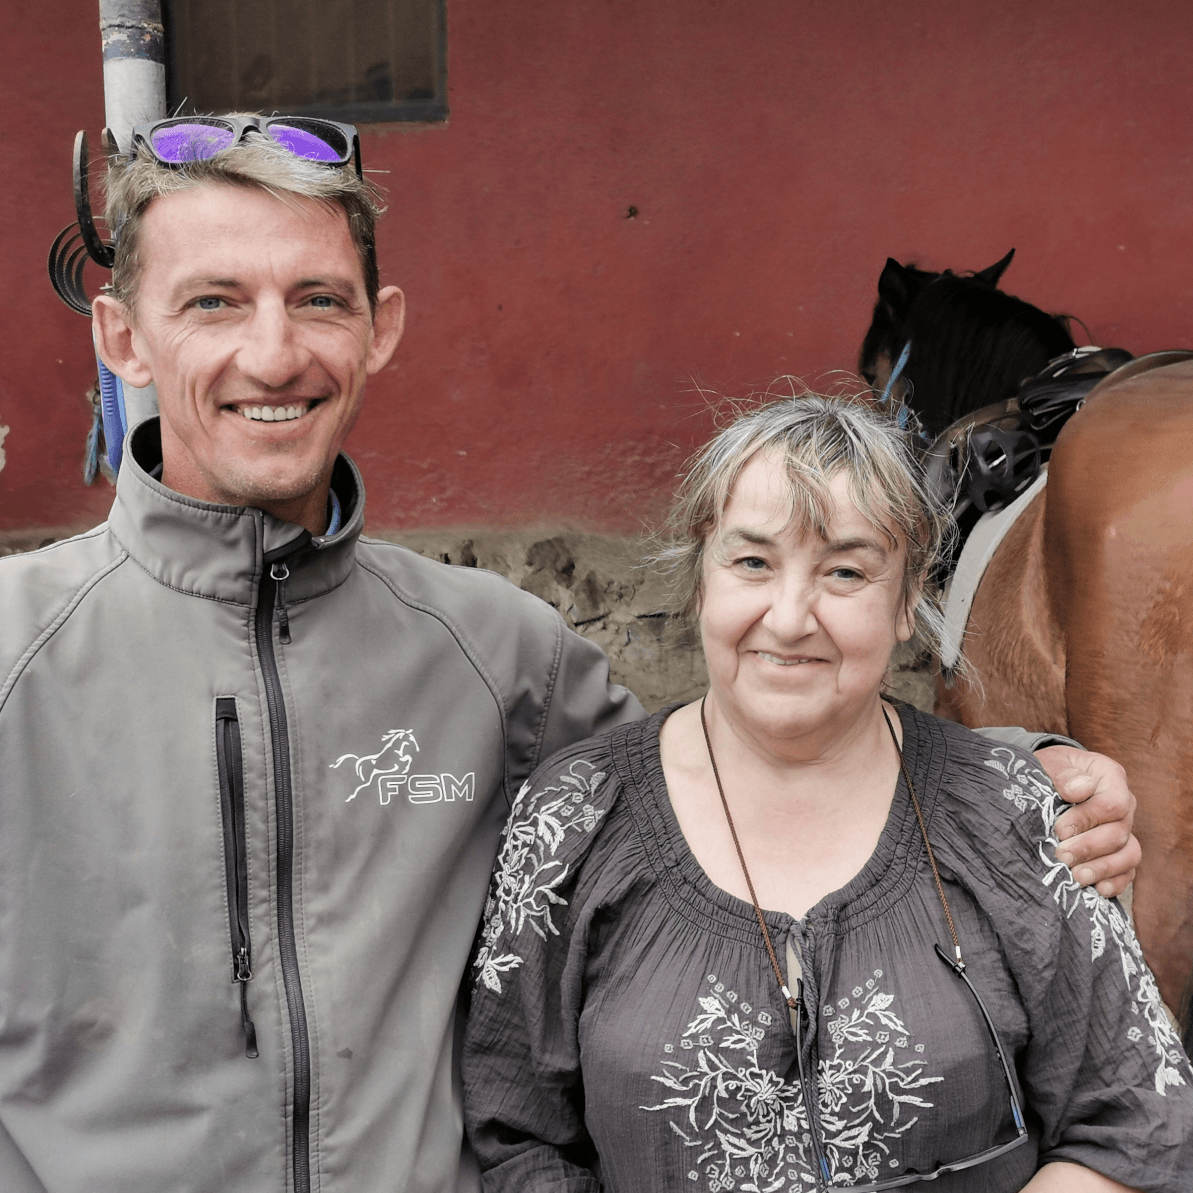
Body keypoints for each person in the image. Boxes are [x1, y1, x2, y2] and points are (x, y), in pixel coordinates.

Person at [0, 115, 1138, 1193]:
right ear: (121, 336)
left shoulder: (499, 654)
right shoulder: (15, 655)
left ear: (379, 328)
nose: (272, 351)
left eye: (317, 299)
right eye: (212, 301)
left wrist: (1012, 772)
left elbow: (737, 766)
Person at [462, 394, 1193, 1192]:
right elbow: (519, 1135)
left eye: (844, 571)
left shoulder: (1016, 813)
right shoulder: (571, 820)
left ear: (907, 599)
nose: (788, 617)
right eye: (752, 562)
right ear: (700, 577)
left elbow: (1134, 1122)